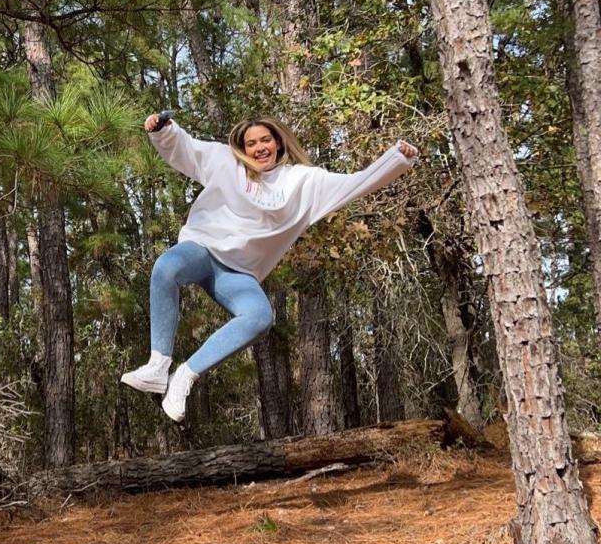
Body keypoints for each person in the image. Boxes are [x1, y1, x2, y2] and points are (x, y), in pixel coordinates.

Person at [122, 113, 418, 422]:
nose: (259, 148)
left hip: (238, 273)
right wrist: (163, 130)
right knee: (167, 267)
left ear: (277, 142)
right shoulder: (226, 163)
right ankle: (158, 365)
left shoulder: (303, 182)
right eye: (251, 143)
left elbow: (355, 184)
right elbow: (186, 150)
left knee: (260, 317)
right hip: (202, 248)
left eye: (265, 140)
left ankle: (185, 375)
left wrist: (396, 159)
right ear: (243, 148)